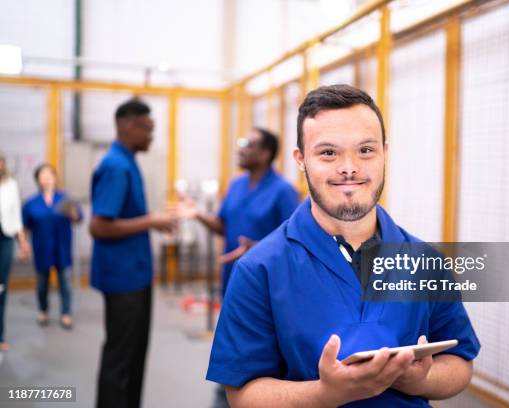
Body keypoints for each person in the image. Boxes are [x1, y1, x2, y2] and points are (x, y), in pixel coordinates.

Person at [206, 85, 480, 407]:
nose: (349, 167)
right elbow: (242, 395)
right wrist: (326, 394)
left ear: (384, 153)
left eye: (365, 150)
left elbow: (460, 363)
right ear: (301, 159)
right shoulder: (259, 269)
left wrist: (419, 379)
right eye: (328, 153)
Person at [90, 99, 176, 408]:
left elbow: (122, 216)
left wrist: (151, 221)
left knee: (134, 353)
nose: (152, 136)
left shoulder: (127, 160)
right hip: (123, 279)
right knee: (122, 357)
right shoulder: (116, 166)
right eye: (148, 129)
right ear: (129, 125)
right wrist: (151, 220)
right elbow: (99, 226)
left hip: (133, 275)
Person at [180, 127, 299, 296]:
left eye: (248, 145)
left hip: (265, 280)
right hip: (232, 276)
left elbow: (295, 242)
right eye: (241, 143)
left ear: (265, 153)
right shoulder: (236, 185)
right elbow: (222, 226)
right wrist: (198, 214)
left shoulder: (283, 191)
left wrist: (258, 248)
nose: (240, 150)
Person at [22, 163, 82, 329]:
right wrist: (24, 244)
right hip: (42, 249)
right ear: (38, 180)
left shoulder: (65, 198)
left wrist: (72, 213)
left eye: (49, 174)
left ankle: (66, 313)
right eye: (43, 175)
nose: (46, 178)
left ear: (55, 178)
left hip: (62, 247)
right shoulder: (31, 203)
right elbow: (24, 227)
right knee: (42, 284)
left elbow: (78, 219)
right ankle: (43, 311)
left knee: (65, 283)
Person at [0, 152, 30, 352]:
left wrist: (23, 241)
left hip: (5, 238)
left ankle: (0, 334)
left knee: (1, 288)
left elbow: (16, 215)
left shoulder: (11, 185)